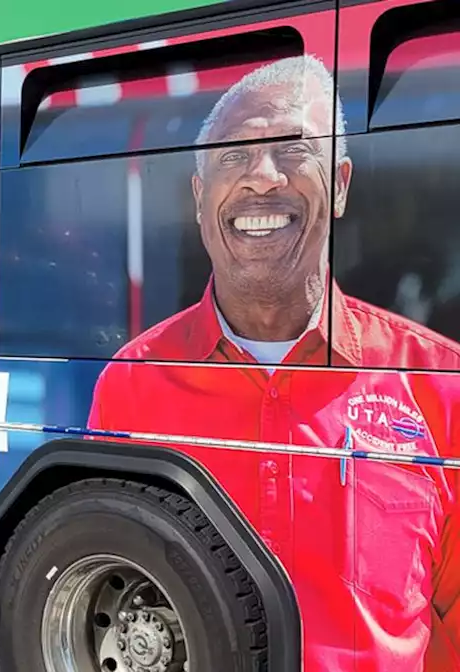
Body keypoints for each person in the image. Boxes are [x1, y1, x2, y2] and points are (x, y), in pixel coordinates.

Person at [87, 54, 460, 670]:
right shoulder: (131, 385)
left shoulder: (441, 387)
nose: (262, 176)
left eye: (293, 149)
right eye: (233, 156)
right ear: (201, 199)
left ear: (339, 185)